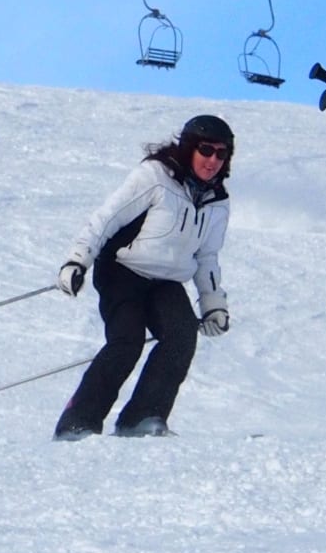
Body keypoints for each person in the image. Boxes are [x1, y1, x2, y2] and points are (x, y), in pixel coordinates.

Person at [52, 114, 234, 440]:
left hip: (166, 281)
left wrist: (212, 304)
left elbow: (207, 256)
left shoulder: (217, 202)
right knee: (127, 341)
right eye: (206, 150)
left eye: (221, 154)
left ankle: (141, 418)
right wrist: (77, 260)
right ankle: (77, 422)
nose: (213, 160)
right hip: (123, 270)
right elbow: (107, 218)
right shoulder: (155, 177)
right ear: (190, 148)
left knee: (181, 338)